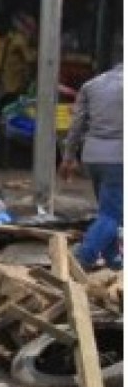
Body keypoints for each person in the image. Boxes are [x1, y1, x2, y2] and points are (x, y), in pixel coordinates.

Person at [61, 60, 123, 269]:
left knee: (107, 210)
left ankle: (114, 261)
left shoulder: (92, 85)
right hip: (118, 157)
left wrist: (68, 156)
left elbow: (77, 124)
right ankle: (82, 257)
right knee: (113, 214)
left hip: (93, 156)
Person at [0, 12, 39, 106]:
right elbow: (30, 58)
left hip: (6, 78)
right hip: (14, 81)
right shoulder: (19, 39)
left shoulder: (10, 35)